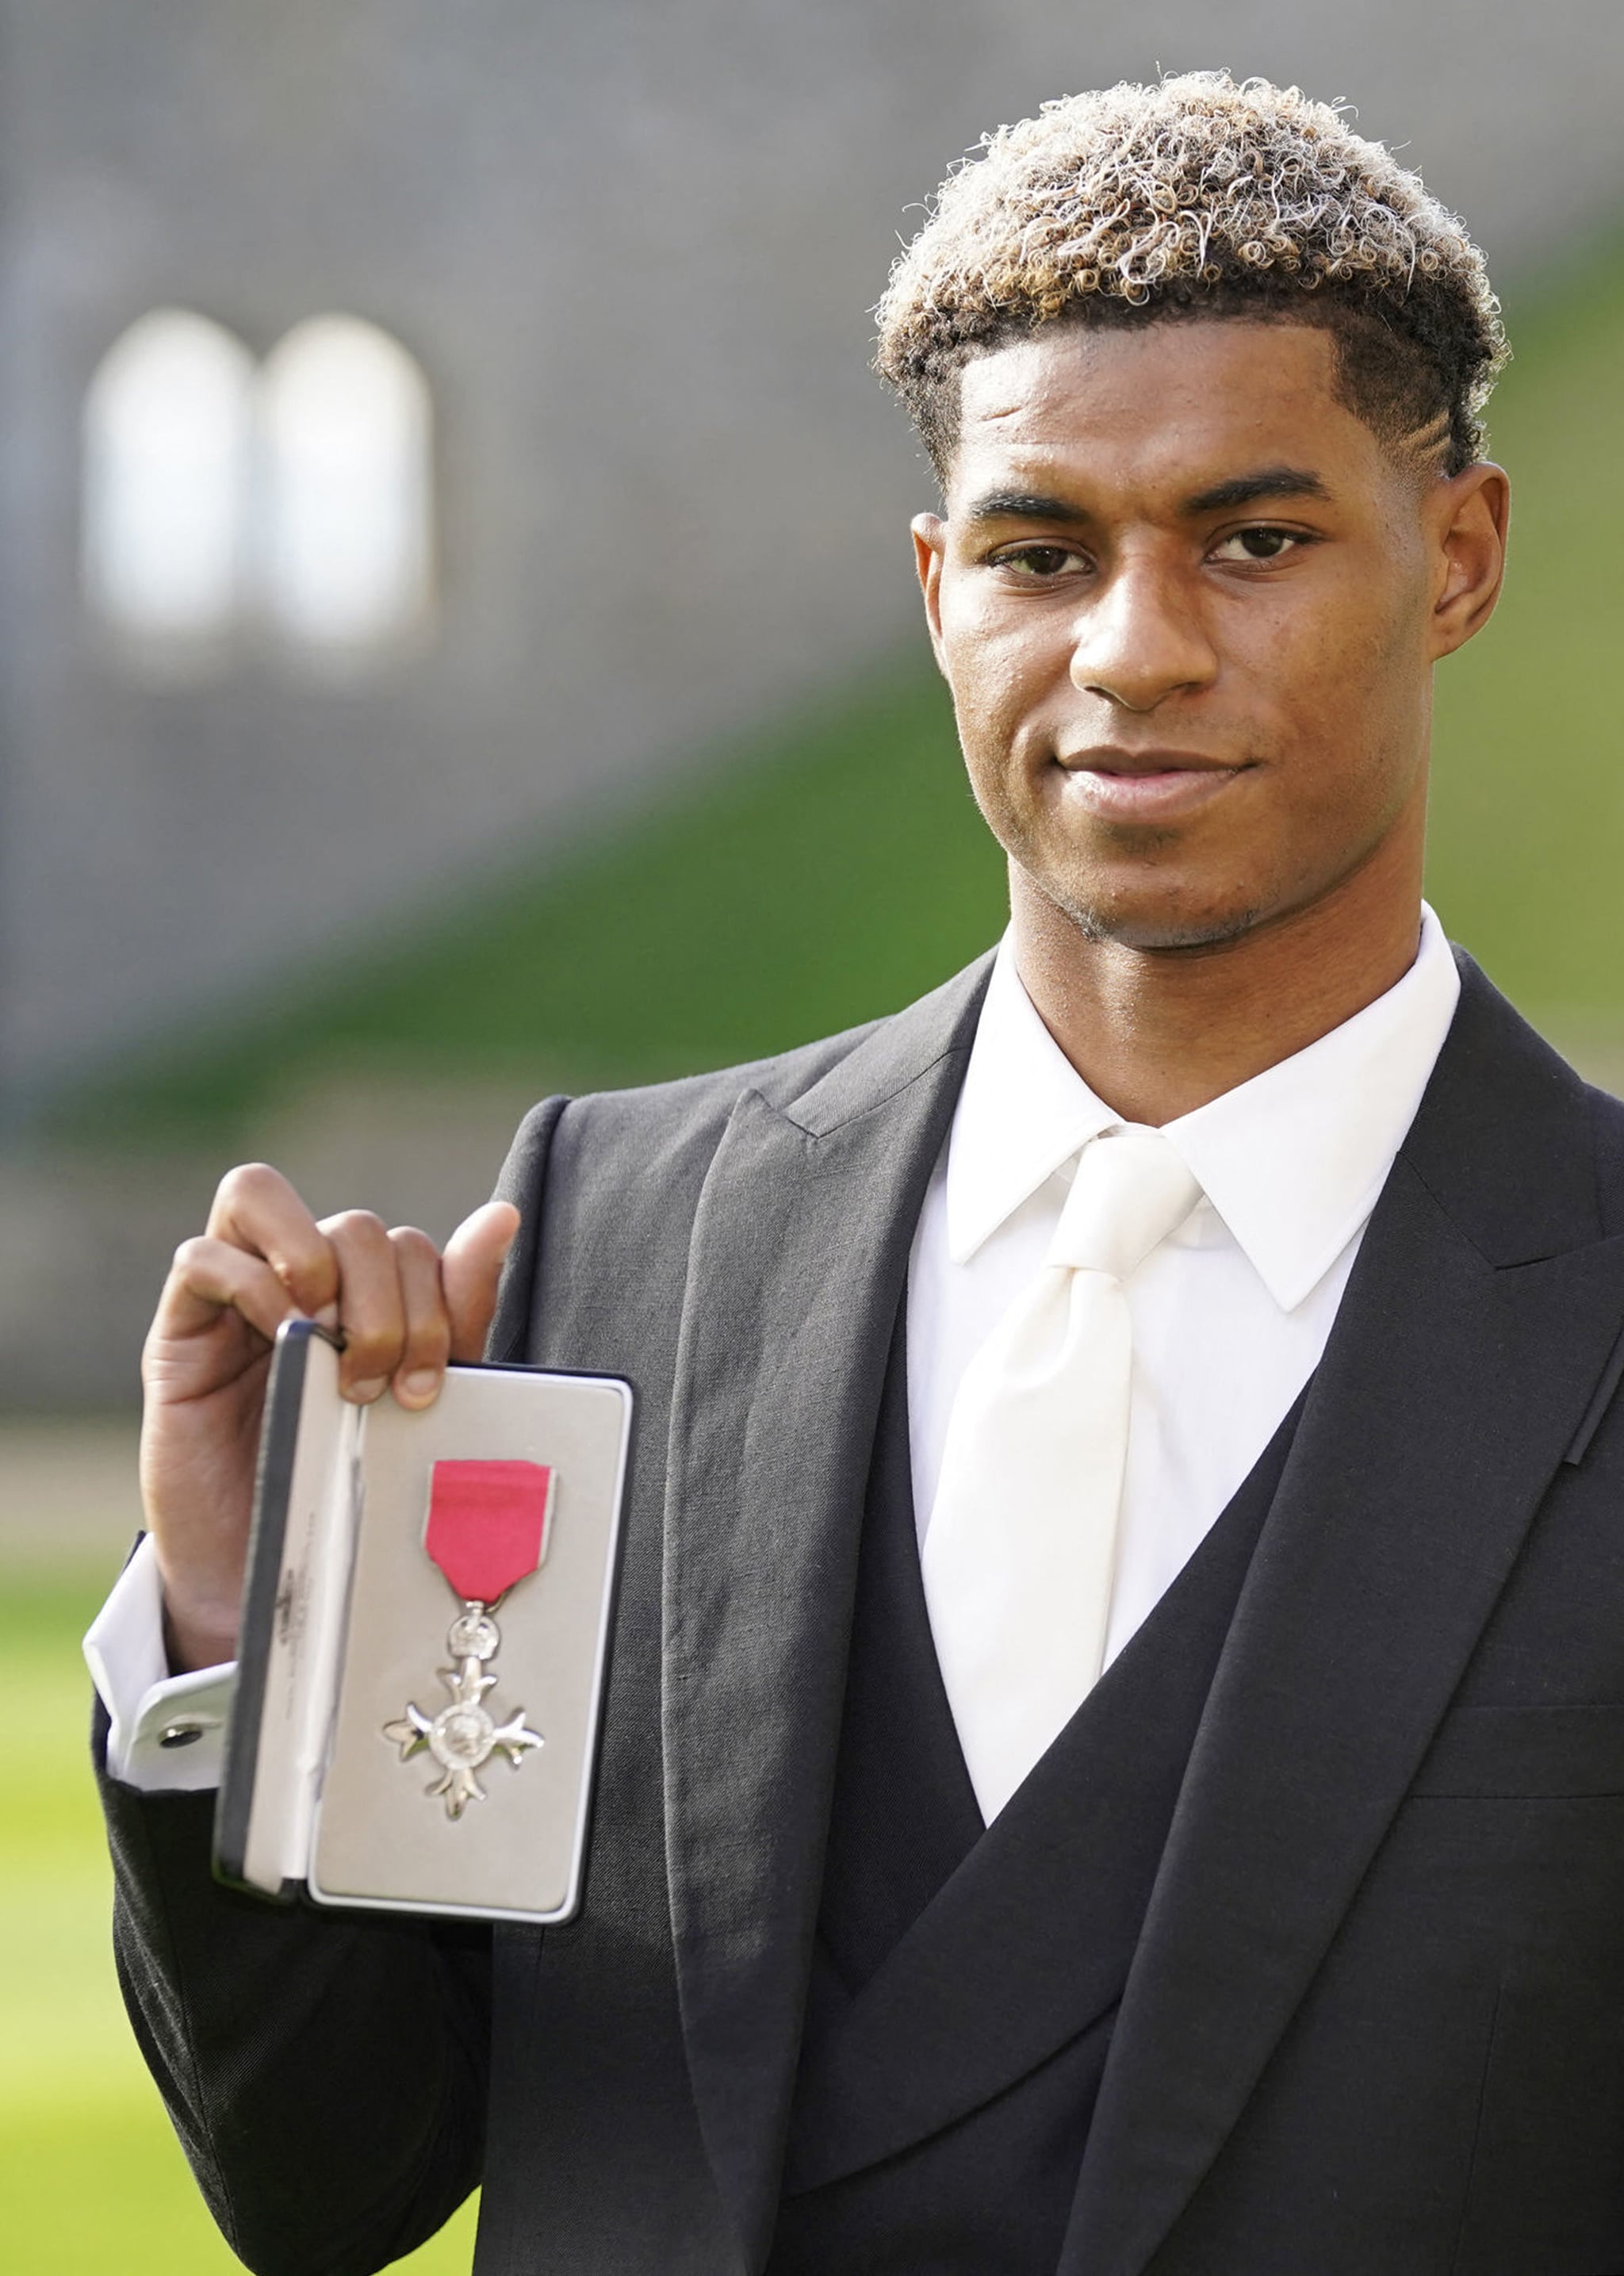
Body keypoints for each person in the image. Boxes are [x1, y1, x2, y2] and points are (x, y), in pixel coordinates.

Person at [86, 69, 1624, 2276]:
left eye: (1255, 538)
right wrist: (241, 1625)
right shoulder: (616, 1242)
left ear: (1457, 557)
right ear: (936, 589)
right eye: (1042, 551)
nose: (1134, 648)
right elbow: (332, 2185)